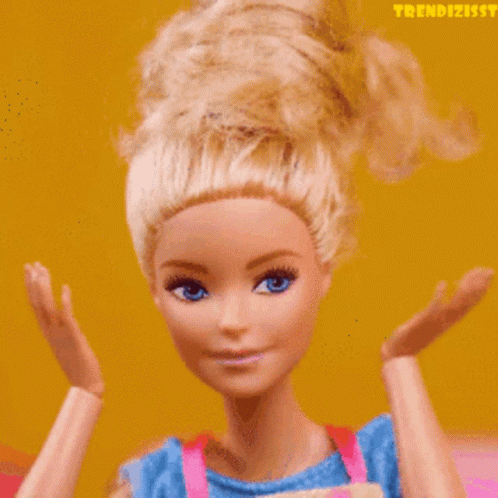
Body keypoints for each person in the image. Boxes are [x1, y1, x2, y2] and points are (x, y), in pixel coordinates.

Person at [16, 0, 494, 497]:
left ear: (324, 269)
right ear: (155, 291)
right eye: (192, 288)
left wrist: (401, 365)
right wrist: (83, 394)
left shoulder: (382, 460)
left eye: (274, 281)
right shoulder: (160, 482)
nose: (233, 321)